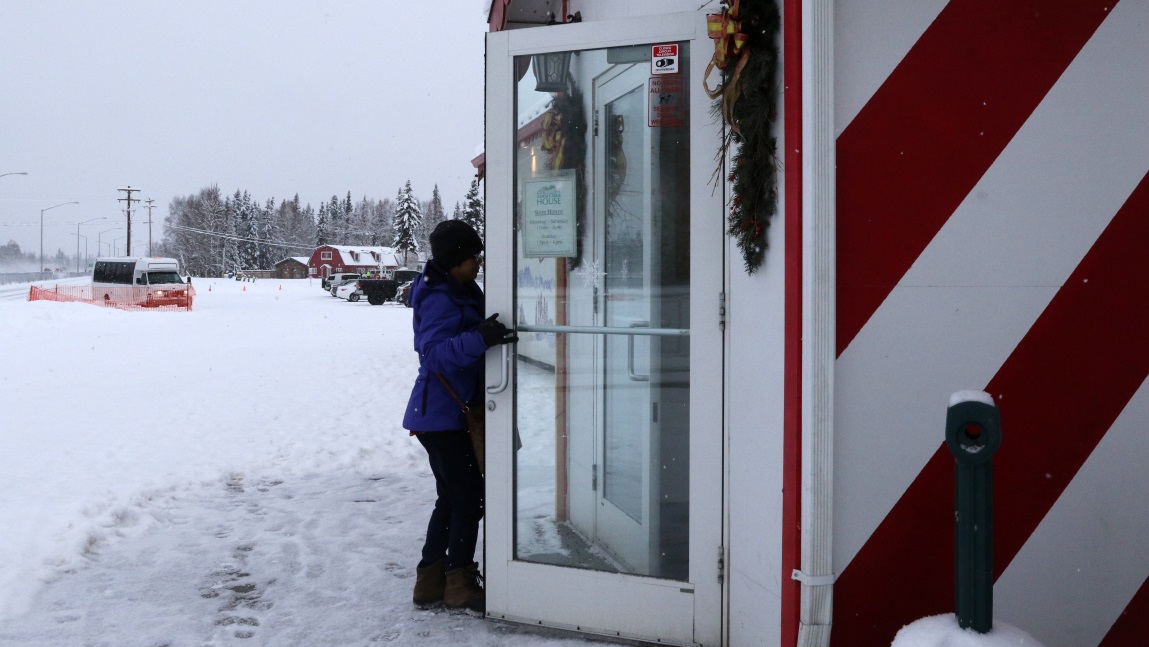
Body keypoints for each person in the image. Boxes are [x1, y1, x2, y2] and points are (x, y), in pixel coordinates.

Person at [402, 219, 516, 612]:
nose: (477, 263)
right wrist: (480, 338)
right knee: (467, 498)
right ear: (453, 261)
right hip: (440, 414)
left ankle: (431, 581)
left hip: (448, 412)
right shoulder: (439, 296)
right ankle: (458, 582)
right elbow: (432, 354)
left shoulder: (460, 288)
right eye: (471, 257)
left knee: (452, 498)